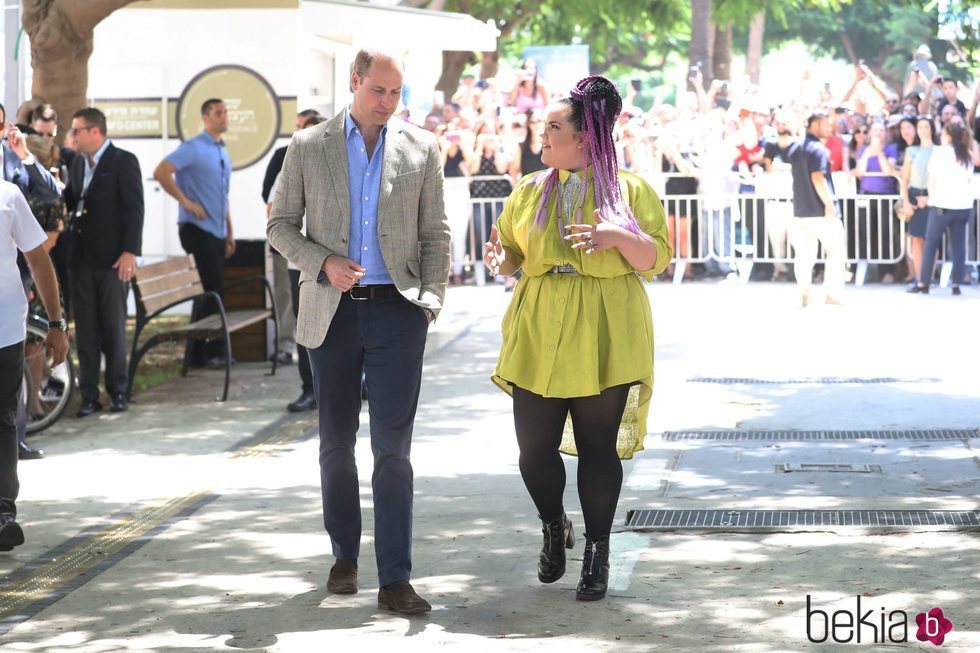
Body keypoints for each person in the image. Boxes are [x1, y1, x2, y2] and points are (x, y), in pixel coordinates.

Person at [267, 48, 450, 615]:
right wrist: (322, 262)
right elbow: (277, 224)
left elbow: (436, 234)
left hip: (399, 312)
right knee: (335, 444)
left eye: (397, 93)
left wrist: (429, 303)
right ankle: (344, 553)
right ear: (355, 82)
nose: (388, 102)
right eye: (379, 91)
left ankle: (395, 577)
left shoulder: (422, 147)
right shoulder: (307, 145)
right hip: (332, 311)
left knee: (393, 451)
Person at [484, 75, 671, 602]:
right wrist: (502, 260)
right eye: (543, 125)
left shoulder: (629, 190)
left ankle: (598, 551)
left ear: (585, 136)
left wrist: (617, 236)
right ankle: (552, 525)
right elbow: (511, 253)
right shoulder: (527, 191)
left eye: (553, 127)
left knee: (597, 449)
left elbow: (657, 258)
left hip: (604, 327)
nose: (542, 134)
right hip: (539, 324)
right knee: (533, 449)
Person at [1, 178, 68, 551]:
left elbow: (38, 258)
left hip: (4, 331)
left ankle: (3, 513)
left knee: (2, 420)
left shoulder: (8, 196)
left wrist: (56, 324)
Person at [64, 108, 144, 416]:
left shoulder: (123, 161)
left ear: (95, 131)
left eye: (77, 131)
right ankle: (88, 395)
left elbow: (135, 209)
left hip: (113, 260)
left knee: (112, 328)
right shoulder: (76, 163)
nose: (73, 137)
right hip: (80, 259)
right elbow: (72, 202)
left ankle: (118, 390)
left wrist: (130, 251)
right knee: (85, 330)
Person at [153, 99, 234, 368]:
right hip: (196, 229)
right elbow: (162, 171)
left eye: (226, 112)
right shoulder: (194, 147)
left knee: (210, 291)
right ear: (205, 118)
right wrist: (186, 203)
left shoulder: (222, 151)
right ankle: (211, 351)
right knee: (212, 290)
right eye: (218, 113)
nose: (224, 117)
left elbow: (223, 196)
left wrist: (230, 231)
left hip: (217, 232)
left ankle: (198, 354)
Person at [262, 108, 321, 367]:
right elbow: (271, 200)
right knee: (290, 300)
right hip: (292, 248)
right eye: (297, 126)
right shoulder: (284, 157)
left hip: (326, 252)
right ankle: (290, 349)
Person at [786, 111, 846, 306]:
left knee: (804, 255)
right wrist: (829, 205)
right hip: (820, 211)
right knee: (836, 251)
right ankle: (833, 294)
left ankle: (804, 292)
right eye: (825, 124)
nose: (829, 128)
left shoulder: (795, 148)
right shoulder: (818, 149)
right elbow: (817, 177)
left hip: (801, 210)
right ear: (815, 125)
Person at [909, 121, 974, 295]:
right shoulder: (966, 154)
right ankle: (956, 284)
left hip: (942, 205)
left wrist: (931, 198)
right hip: (963, 206)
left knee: (931, 244)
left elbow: (932, 181)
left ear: (948, 136)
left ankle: (923, 283)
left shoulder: (939, 153)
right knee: (958, 246)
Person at [899, 116, 935, 286]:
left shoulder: (938, 150)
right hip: (914, 195)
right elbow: (905, 179)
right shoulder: (911, 151)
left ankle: (929, 278)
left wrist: (929, 198)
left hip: (933, 197)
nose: (922, 130)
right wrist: (906, 202)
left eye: (926, 126)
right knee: (916, 239)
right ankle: (920, 278)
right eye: (919, 127)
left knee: (931, 239)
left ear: (931, 129)